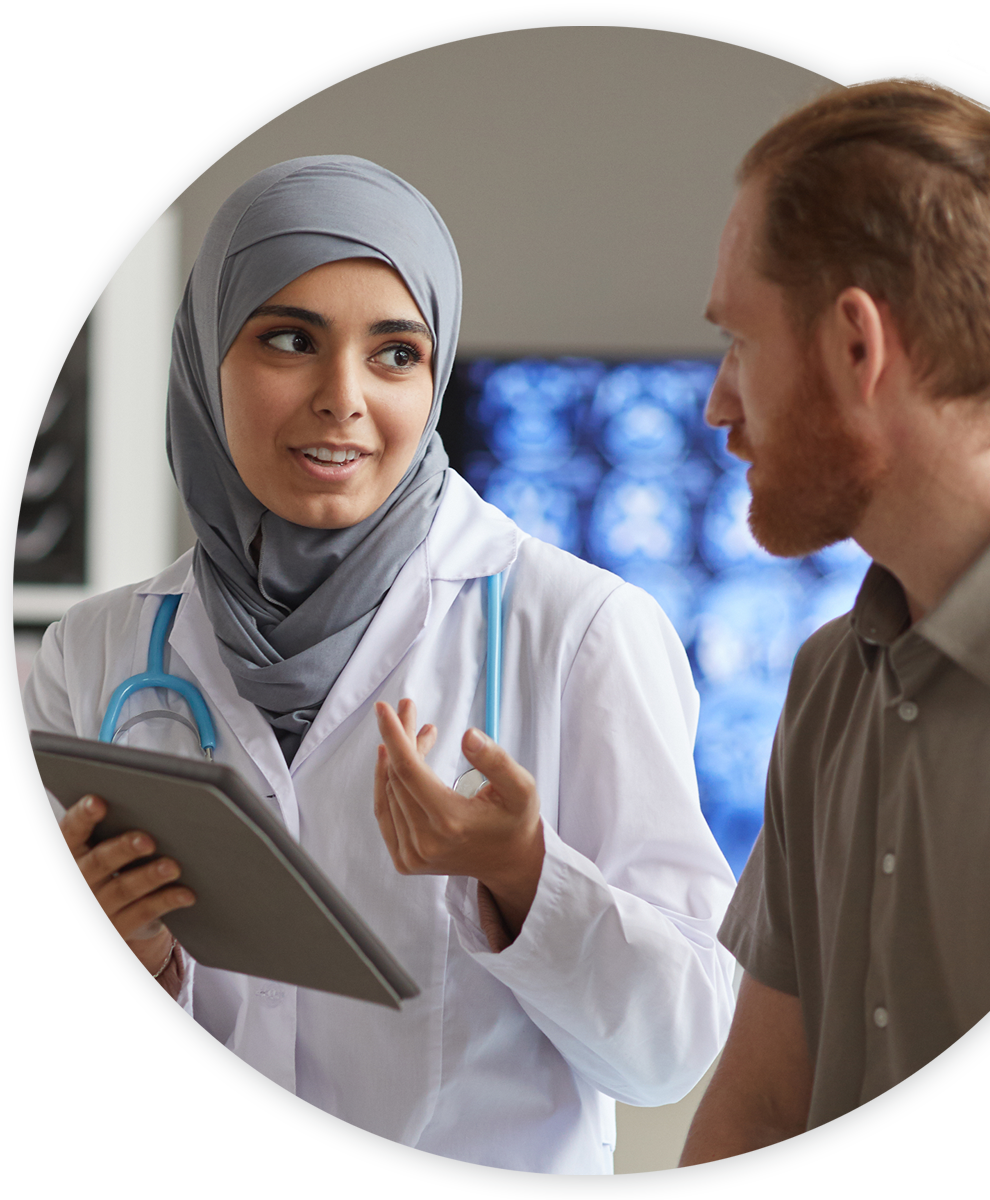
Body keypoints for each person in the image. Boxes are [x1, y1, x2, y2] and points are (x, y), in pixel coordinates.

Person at [21, 155, 737, 1175]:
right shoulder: (97, 653)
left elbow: (674, 1049)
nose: (342, 398)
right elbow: (58, 1081)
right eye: (287, 340)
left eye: (395, 354)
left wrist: (524, 875)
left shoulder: (578, 629)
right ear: (203, 357)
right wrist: (118, 964)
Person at [678, 79, 990, 1173]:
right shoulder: (832, 679)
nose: (719, 403)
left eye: (739, 343)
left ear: (858, 346)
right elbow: (760, 1107)